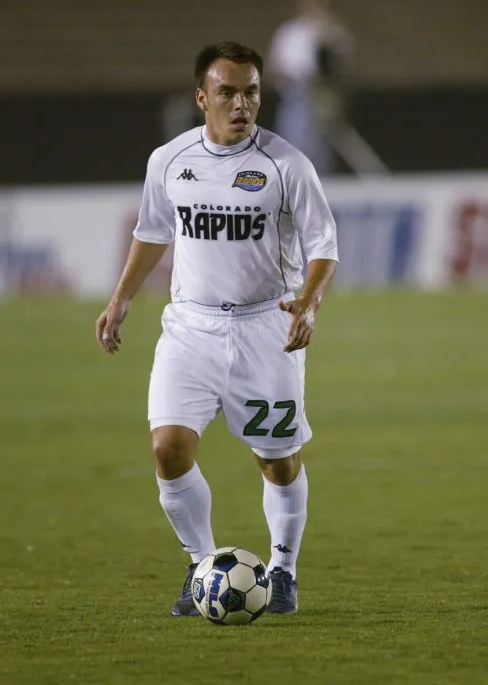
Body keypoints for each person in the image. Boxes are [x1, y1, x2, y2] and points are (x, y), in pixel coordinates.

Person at [96, 41, 339, 617]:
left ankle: (283, 571)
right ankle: (201, 566)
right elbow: (152, 233)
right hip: (191, 328)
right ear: (202, 97)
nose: (241, 104)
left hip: (266, 329)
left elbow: (323, 246)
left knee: (278, 462)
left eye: (251, 92)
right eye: (227, 92)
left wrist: (308, 304)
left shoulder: (287, 165)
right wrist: (121, 298)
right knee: (168, 449)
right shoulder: (169, 160)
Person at [267, 0, 354, 175]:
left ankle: (320, 184)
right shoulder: (290, 32)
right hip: (296, 95)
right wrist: (291, 78)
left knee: (321, 153)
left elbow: (344, 61)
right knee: (294, 146)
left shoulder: (333, 30)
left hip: (323, 97)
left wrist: (327, 32)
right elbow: (274, 66)